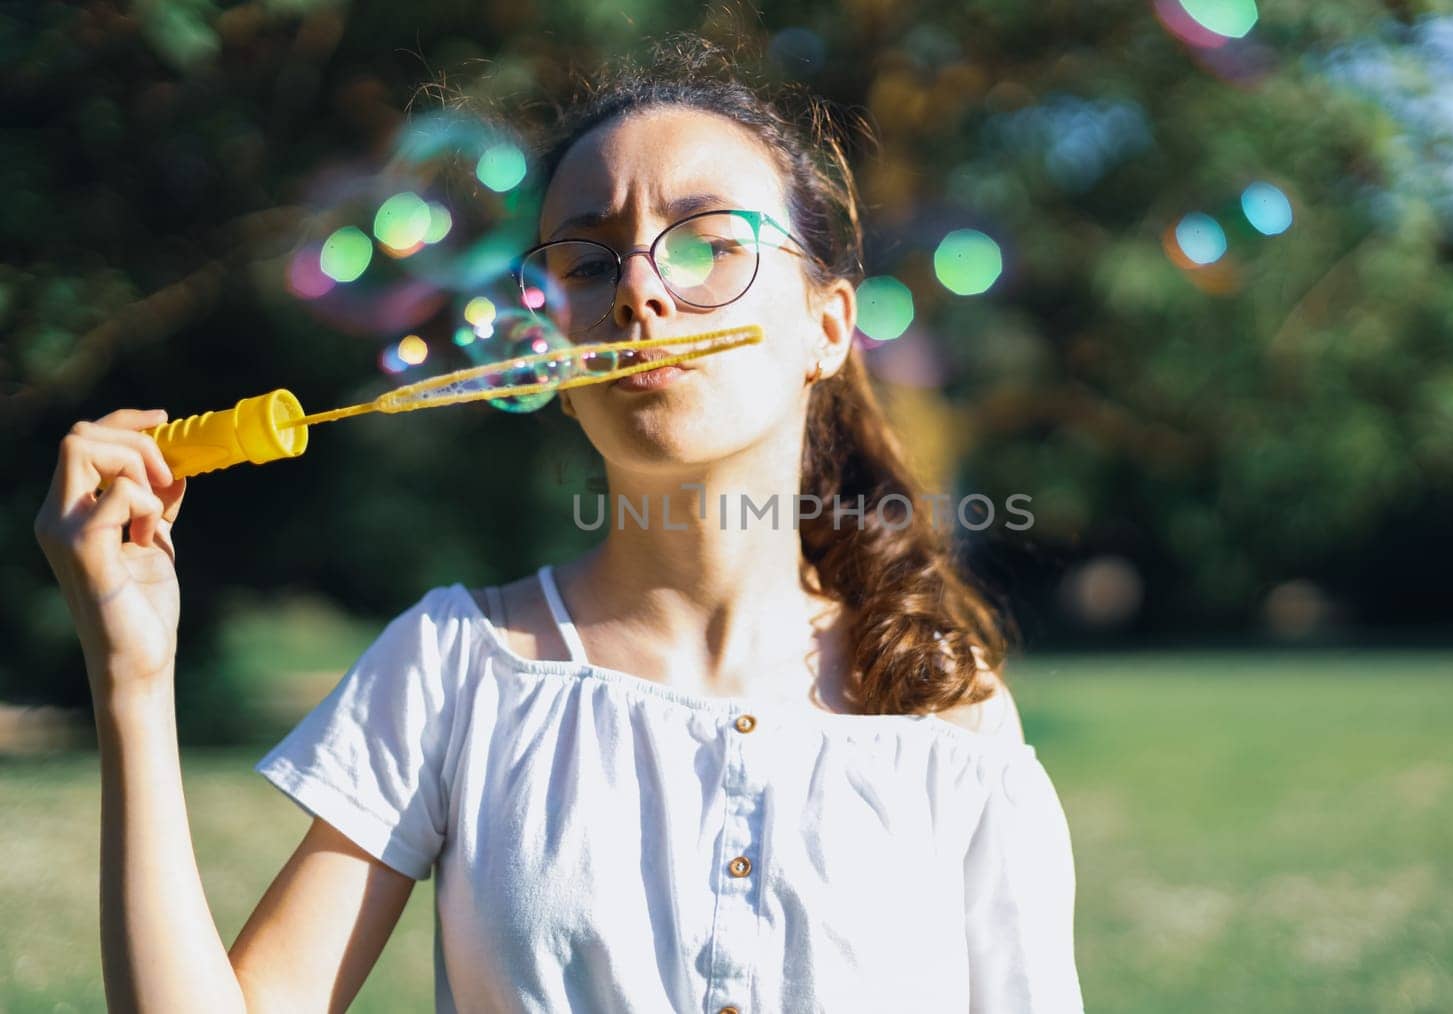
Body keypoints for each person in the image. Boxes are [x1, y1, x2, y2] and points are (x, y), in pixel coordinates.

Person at [33, 35, 1084, 1014]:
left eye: (707, 243)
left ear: (825, 326)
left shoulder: (945, 706)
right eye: (588, 262)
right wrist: (131, 675)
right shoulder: (454, 668)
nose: (640, 291)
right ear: (552, 341)